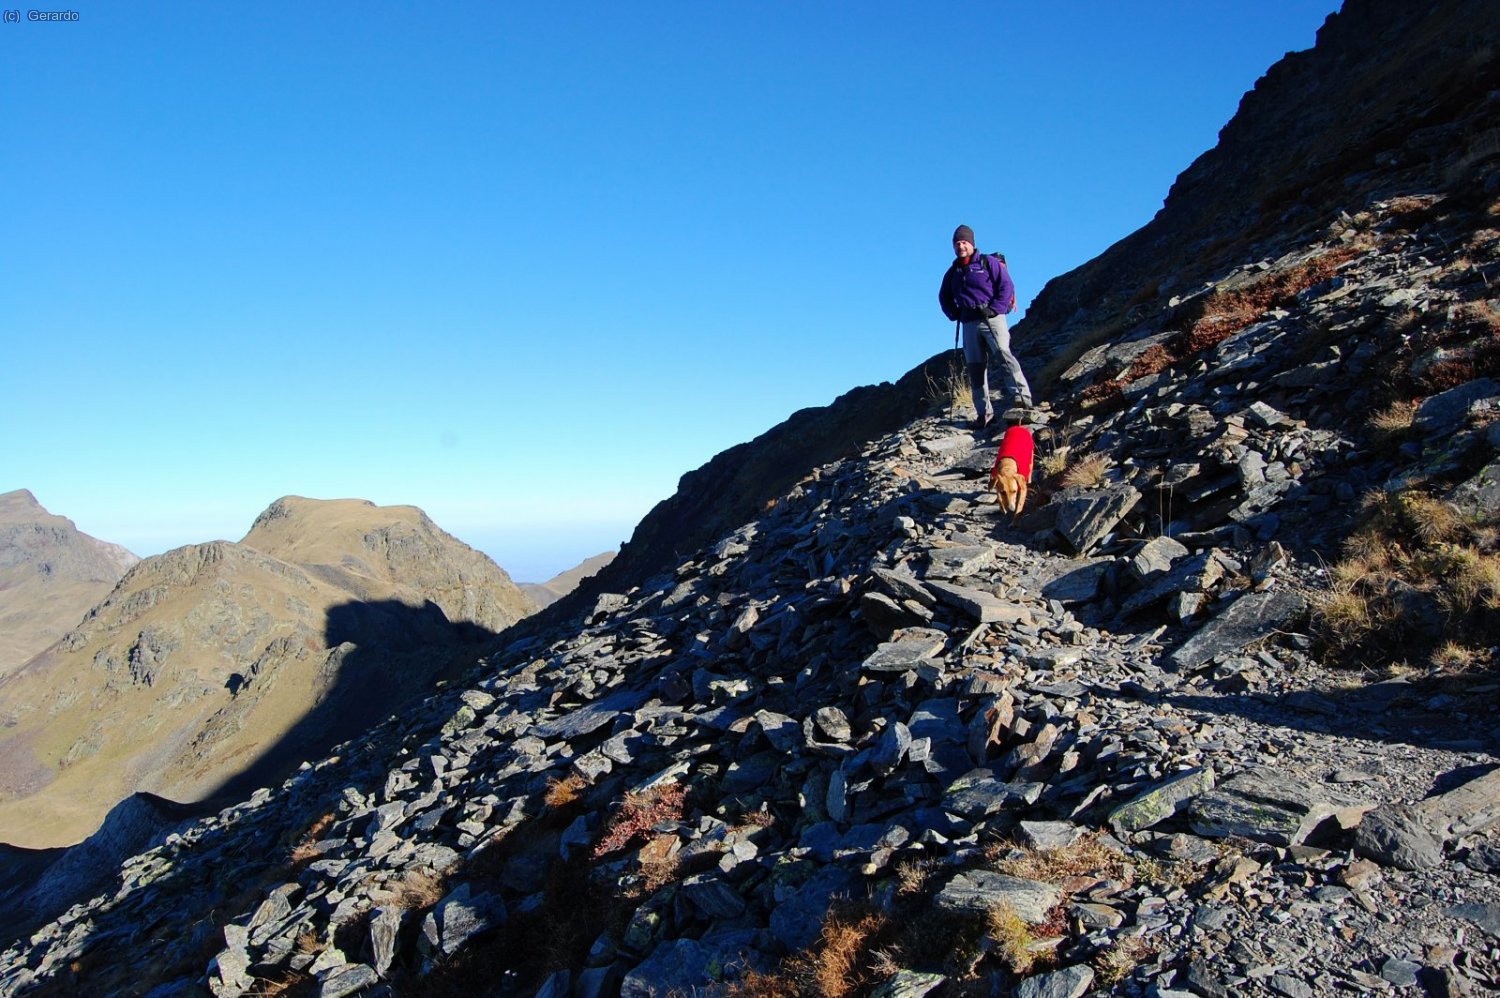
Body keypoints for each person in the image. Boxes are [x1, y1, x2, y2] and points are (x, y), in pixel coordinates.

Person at [938, 224, 1033, 430]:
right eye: (957, 243)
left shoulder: (988, 262)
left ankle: (1022, 399)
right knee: (975, 368)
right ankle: (984, 413)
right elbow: (943, 296)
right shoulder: (952, 272)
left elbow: (1006, 286)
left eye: (964, 242)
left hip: (992, 319)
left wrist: (995, 308)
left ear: (972, 243)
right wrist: (953, 313)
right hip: (969, 322)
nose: (961, 246)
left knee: (1003, 356)